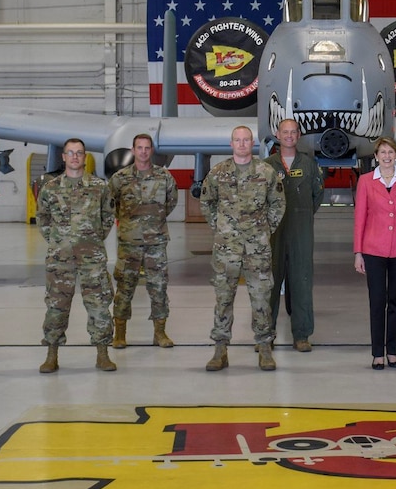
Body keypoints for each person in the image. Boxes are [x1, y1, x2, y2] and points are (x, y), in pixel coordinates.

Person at [200, 125, 286, 372]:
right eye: (237, 140)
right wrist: (221, 227)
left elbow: (278, 203)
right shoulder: (218, 173)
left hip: (257, 247)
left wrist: (264, 230)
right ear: (231, 144)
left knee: (261, 297)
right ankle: (220, 349)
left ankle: (265, 348)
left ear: (252, 144)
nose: (241, 144)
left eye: (246, 140)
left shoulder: (266, 172)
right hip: (226, 248)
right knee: (223, 297)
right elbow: (206, 202)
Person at [36, 138, 117, 373]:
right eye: (70, 153)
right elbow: (43, 219)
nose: (74, 157)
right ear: (63, 157)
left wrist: (91, 239)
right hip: (60, 258)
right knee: (56, 306)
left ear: (84, 157)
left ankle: (102, 353)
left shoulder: (99, 187)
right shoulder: (50, 188)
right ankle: (52, 353)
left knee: (99, 305)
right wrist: (57, 241)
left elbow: (108, 216)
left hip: (92, 257)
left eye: (79, 153)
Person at [353, 137, 396, 370]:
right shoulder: (365, 181)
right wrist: (358, 252)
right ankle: (377, 354)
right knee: (377, 301)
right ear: (376, 156)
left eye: (390, 152)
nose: (386, 156)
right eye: (382, 152)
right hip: (373, 249)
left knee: (395, 301)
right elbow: (360, 218)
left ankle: (392, 351)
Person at [108, 133, 179, 349]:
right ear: (133, 150)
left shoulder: (164, 177)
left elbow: (170, 202)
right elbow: (111, 205)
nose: (143, 152)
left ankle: (160, 332)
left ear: (152, 150)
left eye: (147, 148)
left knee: (158, 288)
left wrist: (152, 222)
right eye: (139, 148)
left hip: (155, 243)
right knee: (124, 287)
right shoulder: (120, 178)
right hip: (129, 243)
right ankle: (119, 333)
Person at [266, 118, 324, 352]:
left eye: (293, 132)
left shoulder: (309, 164)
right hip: (273, 232)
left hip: (301, 231)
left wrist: (301, 214)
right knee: (269, 283)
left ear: (298, 136)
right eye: (285, 132)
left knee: (301, 281)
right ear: (277, 135)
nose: (289, 136)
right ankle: (265, 334)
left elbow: (317, 196)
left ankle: (302, 335)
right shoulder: (266, 166)